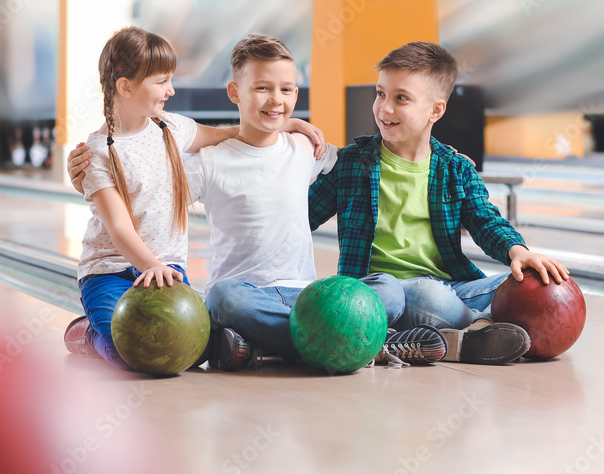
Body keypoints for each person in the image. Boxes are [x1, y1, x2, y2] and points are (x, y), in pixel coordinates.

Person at [69, 34, 445, 371]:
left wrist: (438, 153)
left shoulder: (299, 149)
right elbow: (141, 198)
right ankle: (356, 344)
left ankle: (275, 347)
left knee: (389, 289)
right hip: (240, 294)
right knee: (219, 301)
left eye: (286, 90)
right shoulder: (202, 163)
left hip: (304, 294)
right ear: (235, 92)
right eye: (263, 88)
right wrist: (84, 180)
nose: (276, 99)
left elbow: (363, 158)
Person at [63, 26, 326, 370]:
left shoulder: (169, 127)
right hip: (111, 271)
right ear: (125, 86)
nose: (171, 90)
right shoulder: (97, 154)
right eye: (161, 81)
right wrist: (151, 266)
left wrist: (284, 125)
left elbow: (225, 133)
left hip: (166, 267)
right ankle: (88, 335)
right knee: (130, 351)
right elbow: (119, 229)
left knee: (191, 350)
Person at [309, 41, 570, 365]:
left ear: (435, 110)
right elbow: (301, 215)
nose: (384, 108)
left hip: (451, 289)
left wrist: (518, 251)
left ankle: (409, 337)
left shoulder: (456, 168)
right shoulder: (352, 163)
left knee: (524, 285)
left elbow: (484, 220)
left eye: (400, 98)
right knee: (413, 293)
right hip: (379, 291)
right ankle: (475, 329)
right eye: (380, 94)